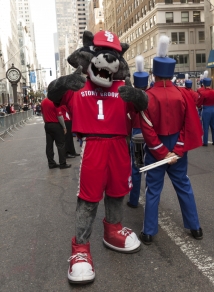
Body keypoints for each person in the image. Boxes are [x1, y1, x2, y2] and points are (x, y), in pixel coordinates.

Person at [47, 30, 148, 284]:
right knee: (88, 199)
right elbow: (51, 95)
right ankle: (80, 248)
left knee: (117, 192)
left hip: (119, 145)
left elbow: (144, 103)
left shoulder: (122, 87)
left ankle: (112, 229)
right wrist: (62, 82)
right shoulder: (78, 85)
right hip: (93, 146)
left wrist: (137, 95)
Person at [139, 35, 203, 245]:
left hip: (155, 147)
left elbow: (147, 128)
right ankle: (195, 227)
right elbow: (188, 125)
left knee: (153, 189)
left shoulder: (147, 96)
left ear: (154, 73)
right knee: (183, 185)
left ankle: (148, 232)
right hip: (178, 144)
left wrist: (161, 152)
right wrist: (177, 150)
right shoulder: (182, 94)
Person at [127, 55, 149, 208]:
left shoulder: (130, 98)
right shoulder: (151, 95)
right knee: (151, 169)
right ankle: (151, 200)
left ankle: (134, 200)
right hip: (150, 134)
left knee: (135, 169)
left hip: (135, 133)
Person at [41, 97, 71, 169]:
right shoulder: (55, 101)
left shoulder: (43, 102)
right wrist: (64, 127)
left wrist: (46, 122)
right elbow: (60, 116)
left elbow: (43, 114)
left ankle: (51, 163)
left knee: (49, 145)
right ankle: (62, 163)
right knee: (61, 144)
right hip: (56, 125)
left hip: (47, 124)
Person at [197, 71, 214, 146]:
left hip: (206, 110)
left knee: (205, 126)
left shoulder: (203, 93)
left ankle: (205, 142)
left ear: (204, 84)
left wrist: (199, 107)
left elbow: (199, 102)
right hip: (213, 109)